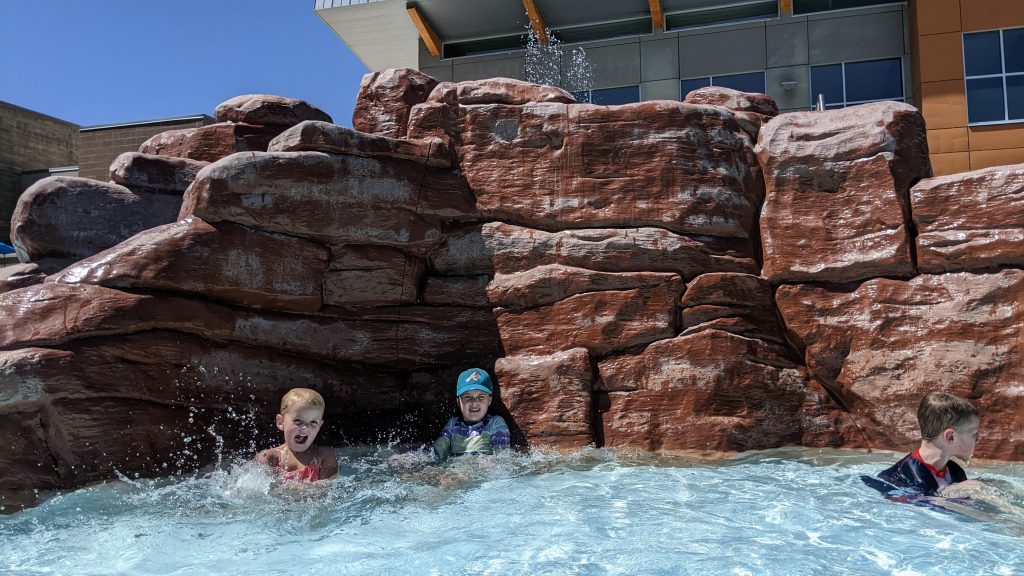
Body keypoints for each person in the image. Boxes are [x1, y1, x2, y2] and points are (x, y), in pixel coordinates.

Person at [872, 392, 980, 496]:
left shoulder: (955, 472)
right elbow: (926, 507)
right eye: (974, 434)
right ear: (950, 437)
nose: (978, 439)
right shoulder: (906, 476)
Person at [256, 388, 339, 482]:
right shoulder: (269, 458)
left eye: (313, 422)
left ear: (319, 426)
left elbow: (325, 490)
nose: (306, 427)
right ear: (280, 422)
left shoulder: (325, 456)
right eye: (298, 421)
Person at [432, 368, 511, 461]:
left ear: (489, 400)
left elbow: (503, 458)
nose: (474, 402)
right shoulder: (453, 424)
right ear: (458, 401)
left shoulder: (495, 423)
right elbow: (439, 448)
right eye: (468, 397)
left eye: (480, 397)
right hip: (456, 472)